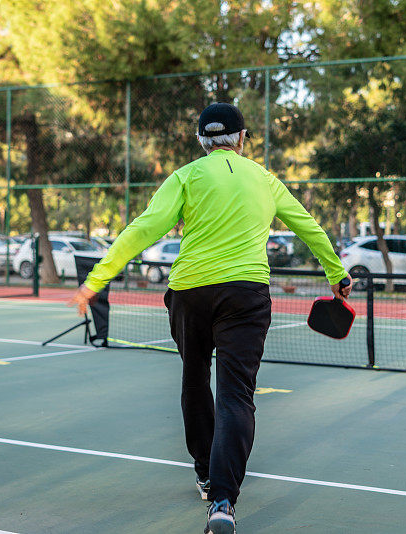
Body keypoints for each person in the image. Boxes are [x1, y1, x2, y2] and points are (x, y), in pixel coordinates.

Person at [69, 103, 351, 534]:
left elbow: (144, 229)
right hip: (246, 294)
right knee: (237, 394)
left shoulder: (186, 176)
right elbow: (307, 226)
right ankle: (222, 501)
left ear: (202, 141)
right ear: (241, 139)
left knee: (195, 379)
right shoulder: (265, 179)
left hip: (189, 294)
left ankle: (204, 471)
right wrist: (337, 274)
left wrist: (96, 280)